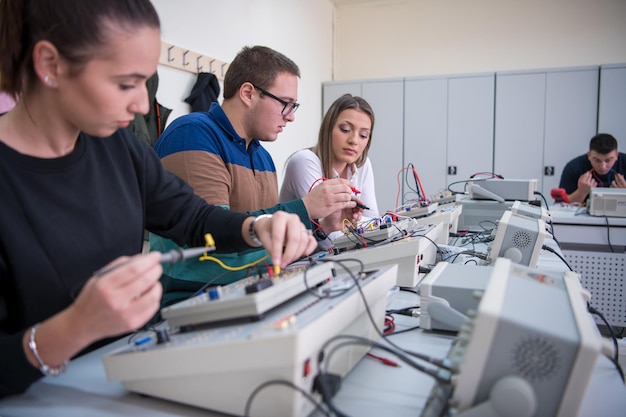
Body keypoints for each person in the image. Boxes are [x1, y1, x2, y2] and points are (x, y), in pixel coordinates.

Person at [0, 0, 316, 398]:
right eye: (125, 84)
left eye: (145, 83)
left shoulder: (117, 148)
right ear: (50, 64)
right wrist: (76, 326)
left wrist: (257, 227)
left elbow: (193, 218)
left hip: (127, 377)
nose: (139, 105)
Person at [151, 45, 363, 301]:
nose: (291, 117)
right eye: (286, 104)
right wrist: (305, 208)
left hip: (252, 293)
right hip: (194, 301)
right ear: (248, 93)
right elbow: (211, 243)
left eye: (294, 106)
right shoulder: (192, 134)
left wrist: (322, 227)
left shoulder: (263, 157)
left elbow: (262, 239)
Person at [280, 93, 379, 243]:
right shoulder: (303, 162)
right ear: (328, 129)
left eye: (363, 135)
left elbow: (374, 222)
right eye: (345, 130)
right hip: (298, 260)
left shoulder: (363, 164)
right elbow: (330, 241)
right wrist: (361, 225)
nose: (354, 141)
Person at [559, 133, 626, 204]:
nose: (603, 166)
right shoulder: (574, 167)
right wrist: (581, 193)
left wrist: (623, 194)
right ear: (589, 155)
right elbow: (560, 205)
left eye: (608, 160)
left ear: (616, 155)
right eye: (597, 160)